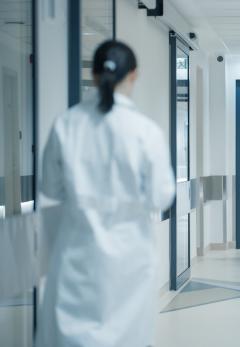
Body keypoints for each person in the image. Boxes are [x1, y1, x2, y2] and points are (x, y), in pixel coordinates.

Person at [37, 40, 175, 347]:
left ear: (94, 74)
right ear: (134, 75)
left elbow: (50, 188)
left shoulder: (66, 125)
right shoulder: (144, 131)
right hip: (129, 260)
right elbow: (160, 197)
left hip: (76, 254)